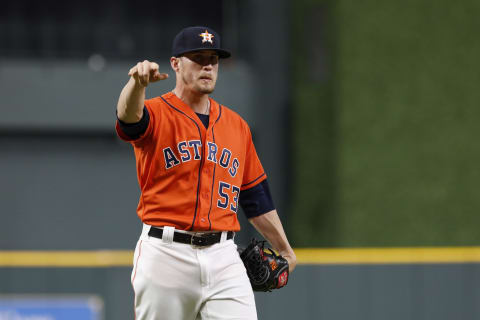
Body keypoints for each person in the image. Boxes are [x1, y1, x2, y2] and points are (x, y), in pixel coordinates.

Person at [115, 26, 297, 320]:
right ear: (175, 63)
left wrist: (286, 250)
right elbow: (128, 118)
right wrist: (137, 85)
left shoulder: (237, 126)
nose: (208, 65)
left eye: (213, 59)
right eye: (198, 58)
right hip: (166, 254)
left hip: (223, 255)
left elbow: (255, 198)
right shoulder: (156, 113)